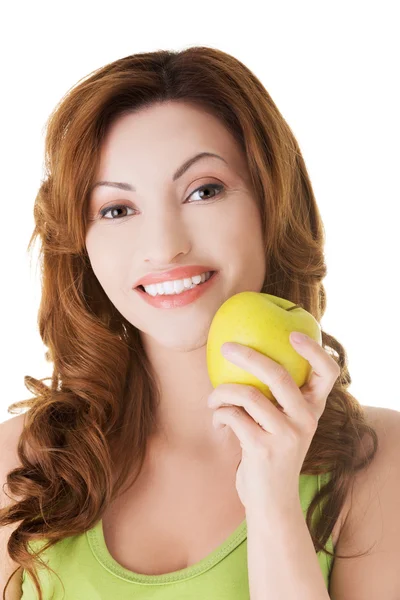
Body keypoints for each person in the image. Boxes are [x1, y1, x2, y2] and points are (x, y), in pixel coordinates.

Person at [1, 46, 399, 600]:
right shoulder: (21, 466)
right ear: (82, 244)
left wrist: (272, 503)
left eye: (203, 191)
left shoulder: (379, 461)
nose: (165, 246)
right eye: (116, 209)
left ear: (272, 203)